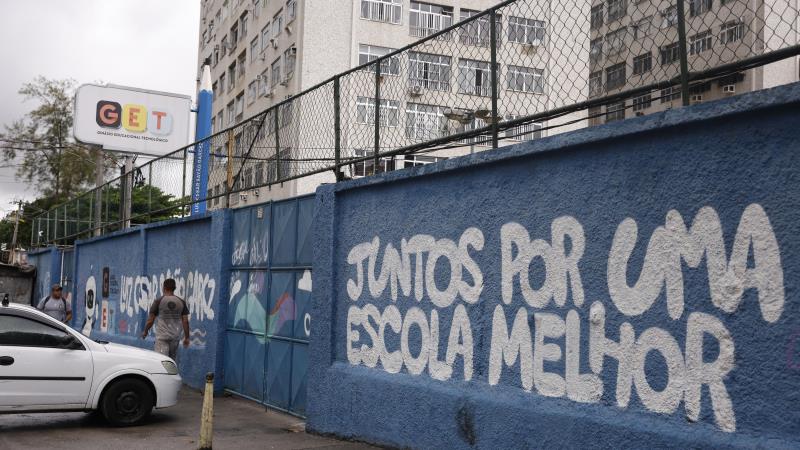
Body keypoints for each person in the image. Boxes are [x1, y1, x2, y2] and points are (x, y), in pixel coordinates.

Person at [141, 279, 190, 361]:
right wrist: (187, 338)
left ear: (164, 288)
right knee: (170, 363)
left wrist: (145, 332)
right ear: (174, 288)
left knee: (161, 362)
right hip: (175, 338)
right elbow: (185, 321)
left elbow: (150, 320)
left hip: (162, 338)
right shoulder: (181, 302)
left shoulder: (158, 301)